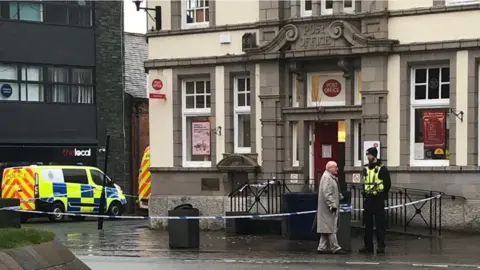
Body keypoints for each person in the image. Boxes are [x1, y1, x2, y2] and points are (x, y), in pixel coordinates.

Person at [358, 147, 391, 254]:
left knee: (380, 224)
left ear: (374, 155)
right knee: (367, 224)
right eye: (367, 155)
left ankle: (381, 246)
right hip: (368, 199)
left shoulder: (382, 168)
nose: (368, 157)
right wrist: (364, 192)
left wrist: (382, 195)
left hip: (378, 199)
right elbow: (364, 182)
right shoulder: (366, 168)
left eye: (370, 155)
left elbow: (387, 184)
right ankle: (368, 246)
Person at [316, 161, 347, 254]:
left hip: (327, 208)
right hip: (328, 208)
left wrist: (340, 196)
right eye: (335, 167)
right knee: (331, 227)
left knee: (326, 228)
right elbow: (327, 193)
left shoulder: (330, 177)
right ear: (330, 168)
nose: (337, 169)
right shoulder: (327, 178)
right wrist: (332, 205)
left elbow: (332, 191)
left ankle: (321, 247)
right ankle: (335, 247)